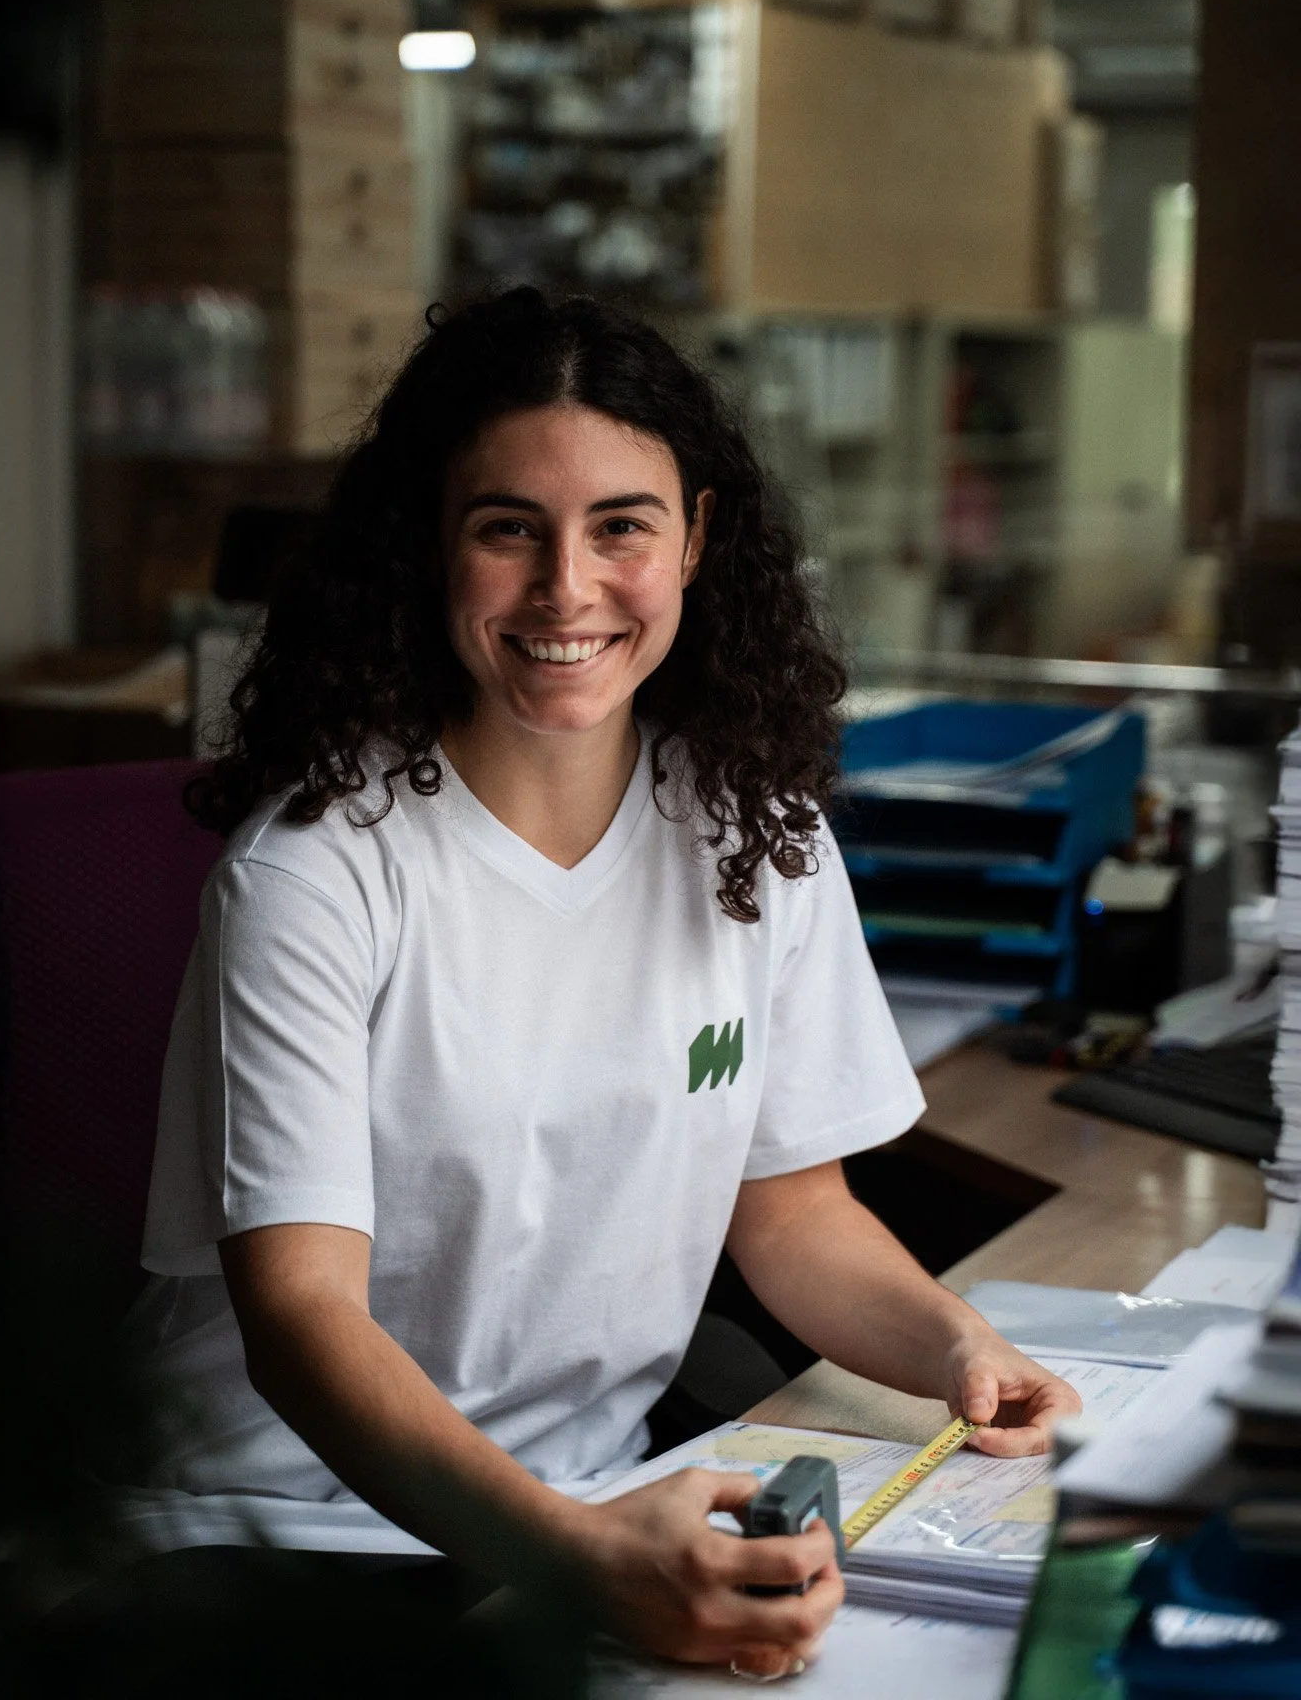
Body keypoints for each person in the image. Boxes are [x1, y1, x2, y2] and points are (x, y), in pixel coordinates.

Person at [122, 289, 1081, 1678]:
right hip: (279, 1535)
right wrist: (578, 1566)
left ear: (694, 536)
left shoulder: (758, 836)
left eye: (620, 525)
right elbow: (302, 1321)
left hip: (594, 1508)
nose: (567, 588)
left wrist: (957, 1347)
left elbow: (794, 1213)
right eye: (509, 528)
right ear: (432, 548)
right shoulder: (321, 874)